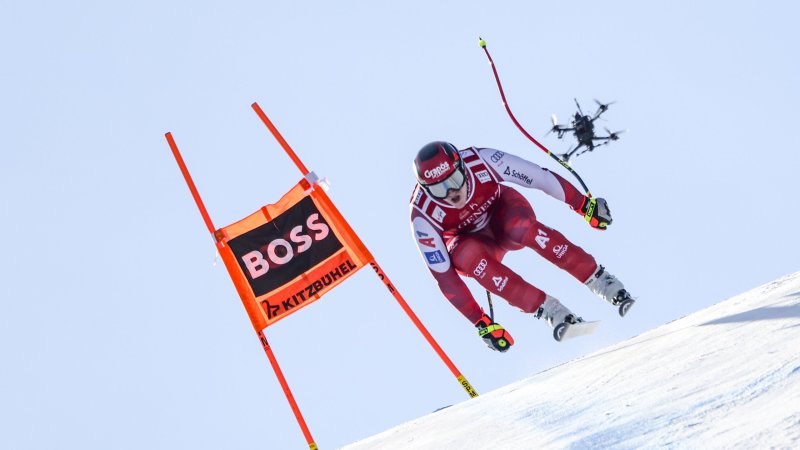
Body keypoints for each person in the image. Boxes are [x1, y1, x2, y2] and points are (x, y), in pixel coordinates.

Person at [409, 141, 635, 350]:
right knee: (466, 256)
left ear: (462, 167)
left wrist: (583, 205)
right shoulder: (422, 215)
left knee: (519, 226)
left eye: (454, 181)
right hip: (474, 245)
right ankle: (552, 312)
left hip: (504, 215)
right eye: (439, 190)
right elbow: (444, 277)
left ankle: (602, 281)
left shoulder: (481, 160)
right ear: (427, 190)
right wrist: (480, 322)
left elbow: (539, 178)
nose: (451, 193)